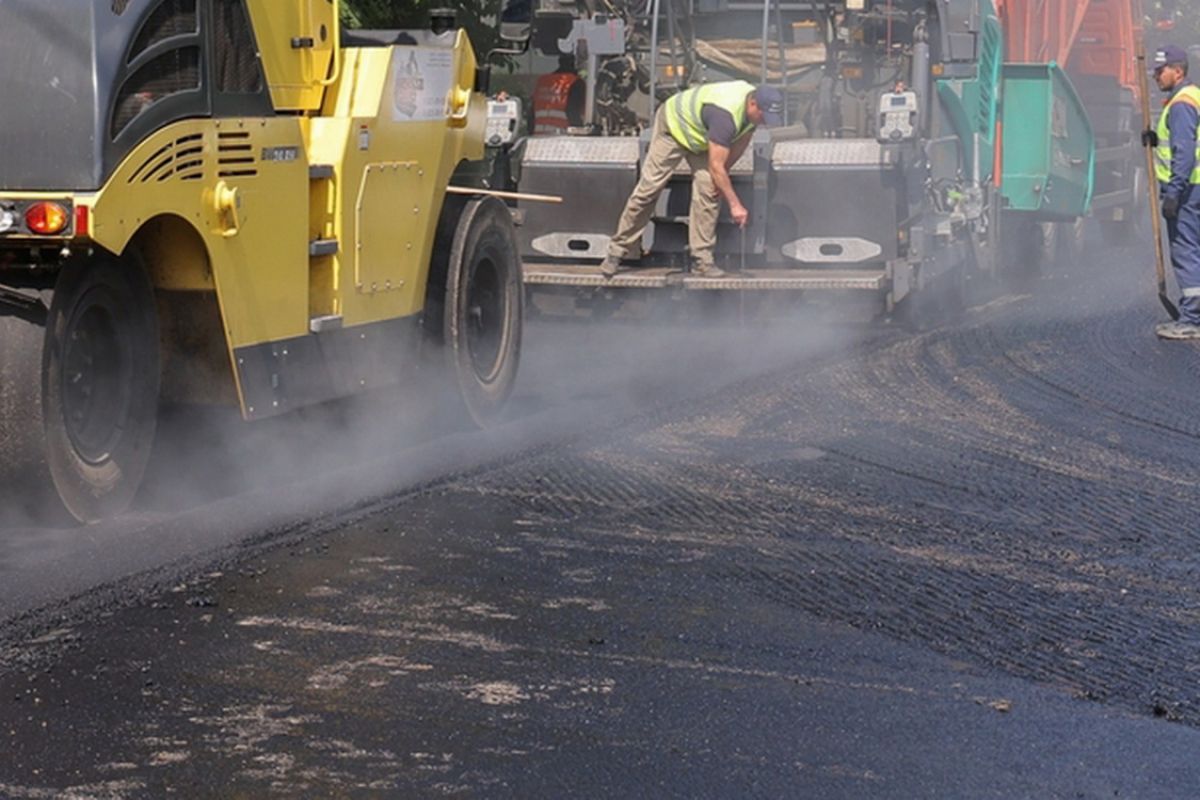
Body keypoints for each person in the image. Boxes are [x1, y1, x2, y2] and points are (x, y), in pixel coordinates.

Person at [599, 81, 785, 278]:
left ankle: (702, 260)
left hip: (700, 137)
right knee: (649, 189)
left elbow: (739, 144)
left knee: (709, 190)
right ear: (753, 104)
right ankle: (616, 252)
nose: (764, 121)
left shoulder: (751, 113)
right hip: (674, 126)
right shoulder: (725, 115)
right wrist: (735, 204)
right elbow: (716, 165)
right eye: (764, 116)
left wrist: (721, 177)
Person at [1146, 45, 1200, 339]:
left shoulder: (1181, 104)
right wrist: (1154, 140)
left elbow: (1184, 153)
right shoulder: (1190, 98)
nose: (1155, 75)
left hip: (1187, 190)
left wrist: (1174, 193)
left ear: (1178, 71)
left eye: (1160, 70)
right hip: (1195, 187)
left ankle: (1192, 319)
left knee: (1186, 251)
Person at [532, 54, 587, 135]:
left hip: (539, 137)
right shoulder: (576, 83)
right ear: (576, 63)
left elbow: (531, 113)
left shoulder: (543, 81)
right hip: (563, 139)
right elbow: (573, 112)